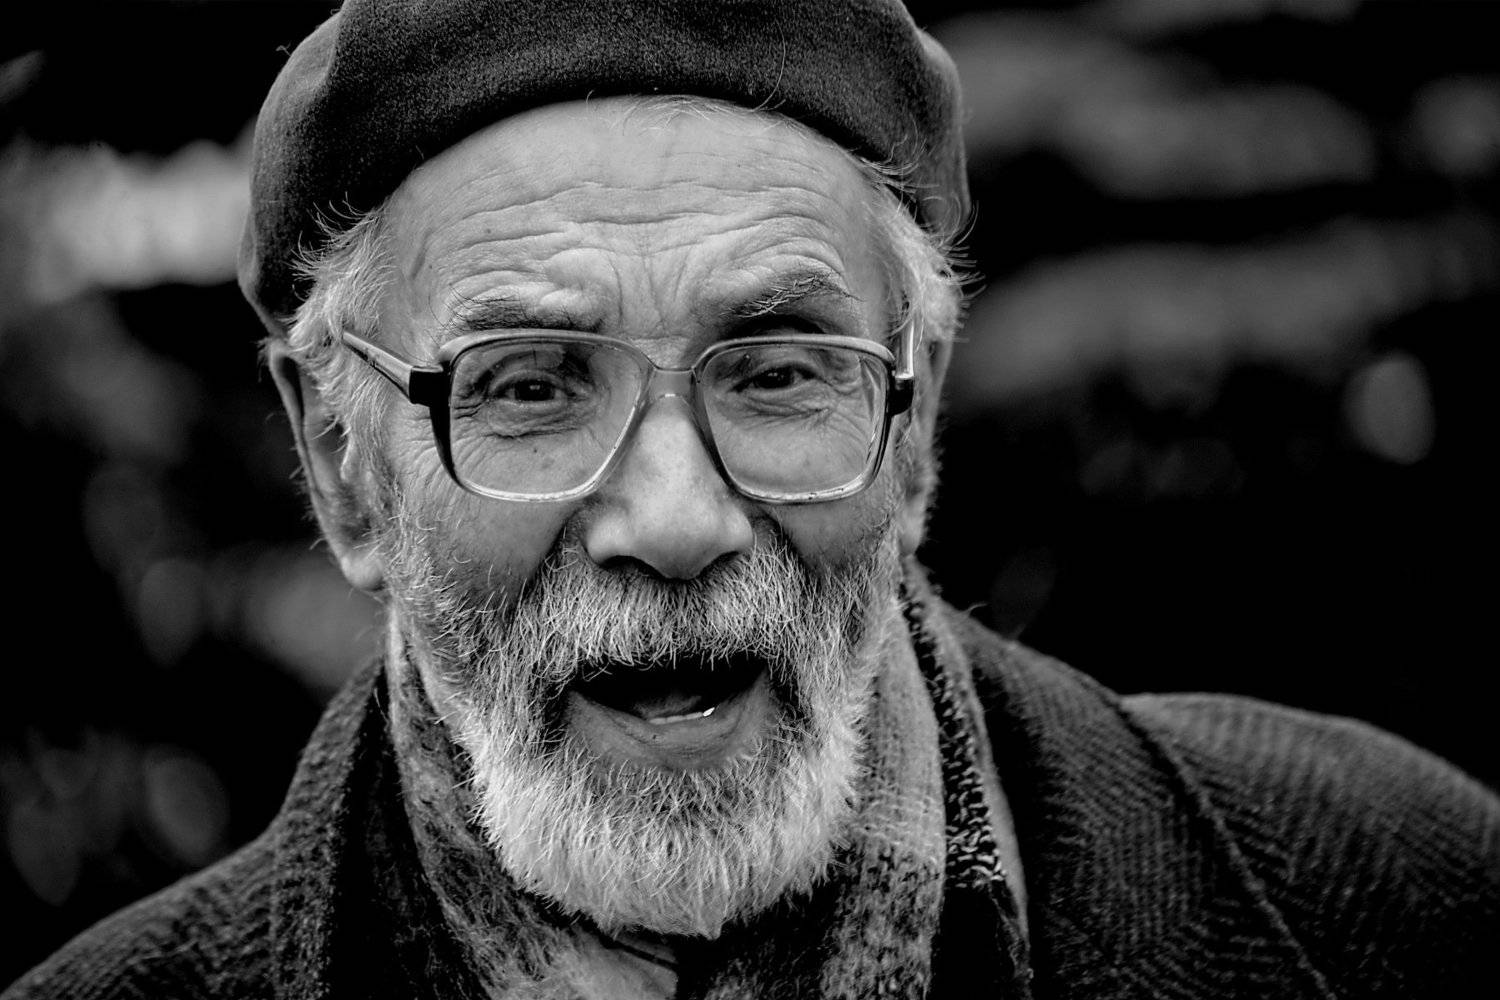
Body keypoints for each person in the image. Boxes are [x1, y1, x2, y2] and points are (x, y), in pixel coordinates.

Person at [6, 1, 1496, 997]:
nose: (674, 521)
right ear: (344, 466)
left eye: (780, 374)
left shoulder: (1409, 897)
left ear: (913, 421)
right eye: (532, 386)